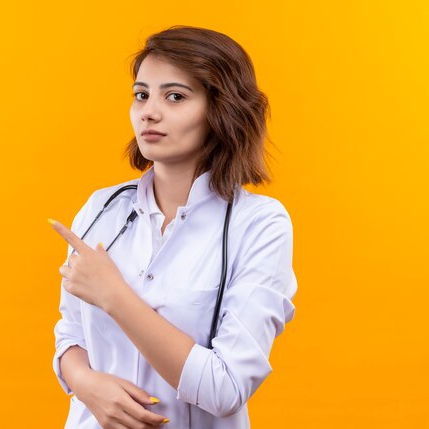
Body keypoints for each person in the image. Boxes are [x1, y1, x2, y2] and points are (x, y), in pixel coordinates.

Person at [48, 25, 298, 429]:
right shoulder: (102, 209)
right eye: (141, 94)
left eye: (175, 96)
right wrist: (84, 382)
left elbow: (225, 388)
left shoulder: (260, 225)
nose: (148, 110)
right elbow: (70, 333)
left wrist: (114, 295)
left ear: (222, 110)